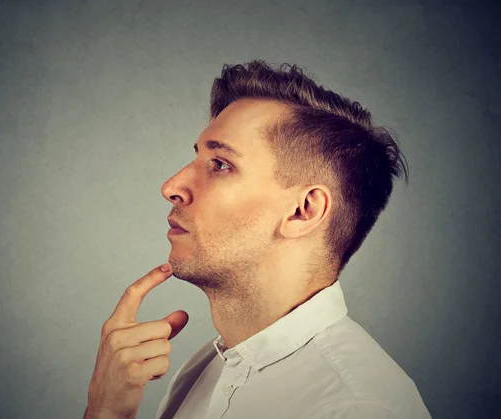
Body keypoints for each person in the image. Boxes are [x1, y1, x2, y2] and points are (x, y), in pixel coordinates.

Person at [84, 60, 432, 419]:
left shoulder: (358, 408)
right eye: (198, 157)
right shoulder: (203, 371)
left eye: (220, 164)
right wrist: (106, 411)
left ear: (304, 210)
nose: (171, 187)